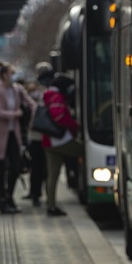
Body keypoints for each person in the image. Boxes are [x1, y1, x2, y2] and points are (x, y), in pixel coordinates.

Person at [0, 63, 36, 214]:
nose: (13, 76)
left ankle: (9, 196)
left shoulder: (17, 89)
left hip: (13, 133)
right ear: (4, 74)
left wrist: (36, 113)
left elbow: (31, 103)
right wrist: (16, 114)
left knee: (16, 166)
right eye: (11, 73)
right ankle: (1, 198)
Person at [42, 74, 84, 216]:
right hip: (60, 140)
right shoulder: (56, 97)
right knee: (86, 151)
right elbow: (59, 116)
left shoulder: (48, 94)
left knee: (52, 175)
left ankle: (51, 205)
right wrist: (74, 125)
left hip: (49, 140)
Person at [23, 62, 53, 207]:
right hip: (45, 135)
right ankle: (39, 193)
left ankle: (36, 193)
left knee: (36, 167)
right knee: (43, 167)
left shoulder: (36, 93)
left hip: (36, 136)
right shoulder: (48, 91)